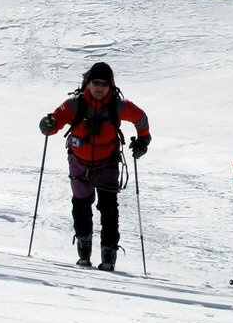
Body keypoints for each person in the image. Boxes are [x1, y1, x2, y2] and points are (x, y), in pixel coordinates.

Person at [39, 61, 151, 271]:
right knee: (81, 205)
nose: (100, 88)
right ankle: (84, 249)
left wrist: (144, 141)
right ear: (88, 84)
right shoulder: (74, 105)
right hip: (79, 162)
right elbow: (55, 121)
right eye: (96, 83)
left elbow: (141, 118)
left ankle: (108, 254)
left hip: (107, 162)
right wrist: (48, 125)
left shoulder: (118, 106)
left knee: (108, 208)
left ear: (111, 87)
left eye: (104, 85)